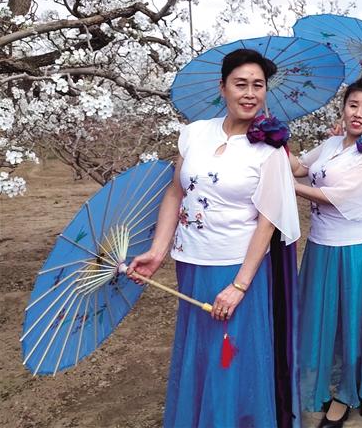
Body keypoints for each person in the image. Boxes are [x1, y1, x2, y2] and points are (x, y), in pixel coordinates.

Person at [128, 48, 301, 427]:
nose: (250, 93)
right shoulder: (194, 133)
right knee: (200, 351)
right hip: (192, 262)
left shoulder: (269, 150)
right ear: (222, 87)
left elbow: (267, 222)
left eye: (258, 85)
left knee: (232, 358)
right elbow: (176, 192)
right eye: (241, 84)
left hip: (237, 268)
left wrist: (239, 286)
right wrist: (157, 251)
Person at [291, 78, 362, 428]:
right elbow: (300, 167)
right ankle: (327, 383)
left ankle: (347, 394)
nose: (358, 113)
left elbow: (339, 196)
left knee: (351, 320)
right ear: (343, 107)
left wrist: (292, 188)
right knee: (319, 318)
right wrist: (276, 143)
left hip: (352, 249)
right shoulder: (330, 144)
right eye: (353, 104)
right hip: (320, 245)